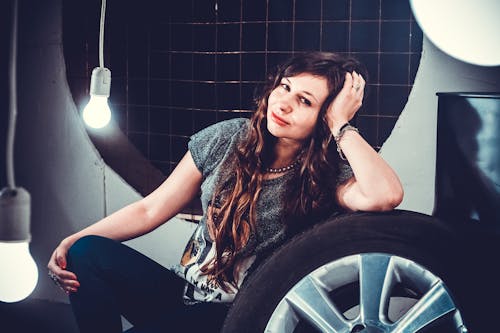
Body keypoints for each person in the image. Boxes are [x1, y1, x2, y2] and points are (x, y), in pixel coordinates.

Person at [47, 51, 403, 332]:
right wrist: (71, 241)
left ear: (324, 116)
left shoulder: (326, 177)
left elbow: (384, 195)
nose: (284, 103)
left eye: (306, 101)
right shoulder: (227, 138)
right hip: (183, 293)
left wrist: (341, 124)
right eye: (284, 87)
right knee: (86, 250)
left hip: (238, 317)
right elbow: (150, 210)